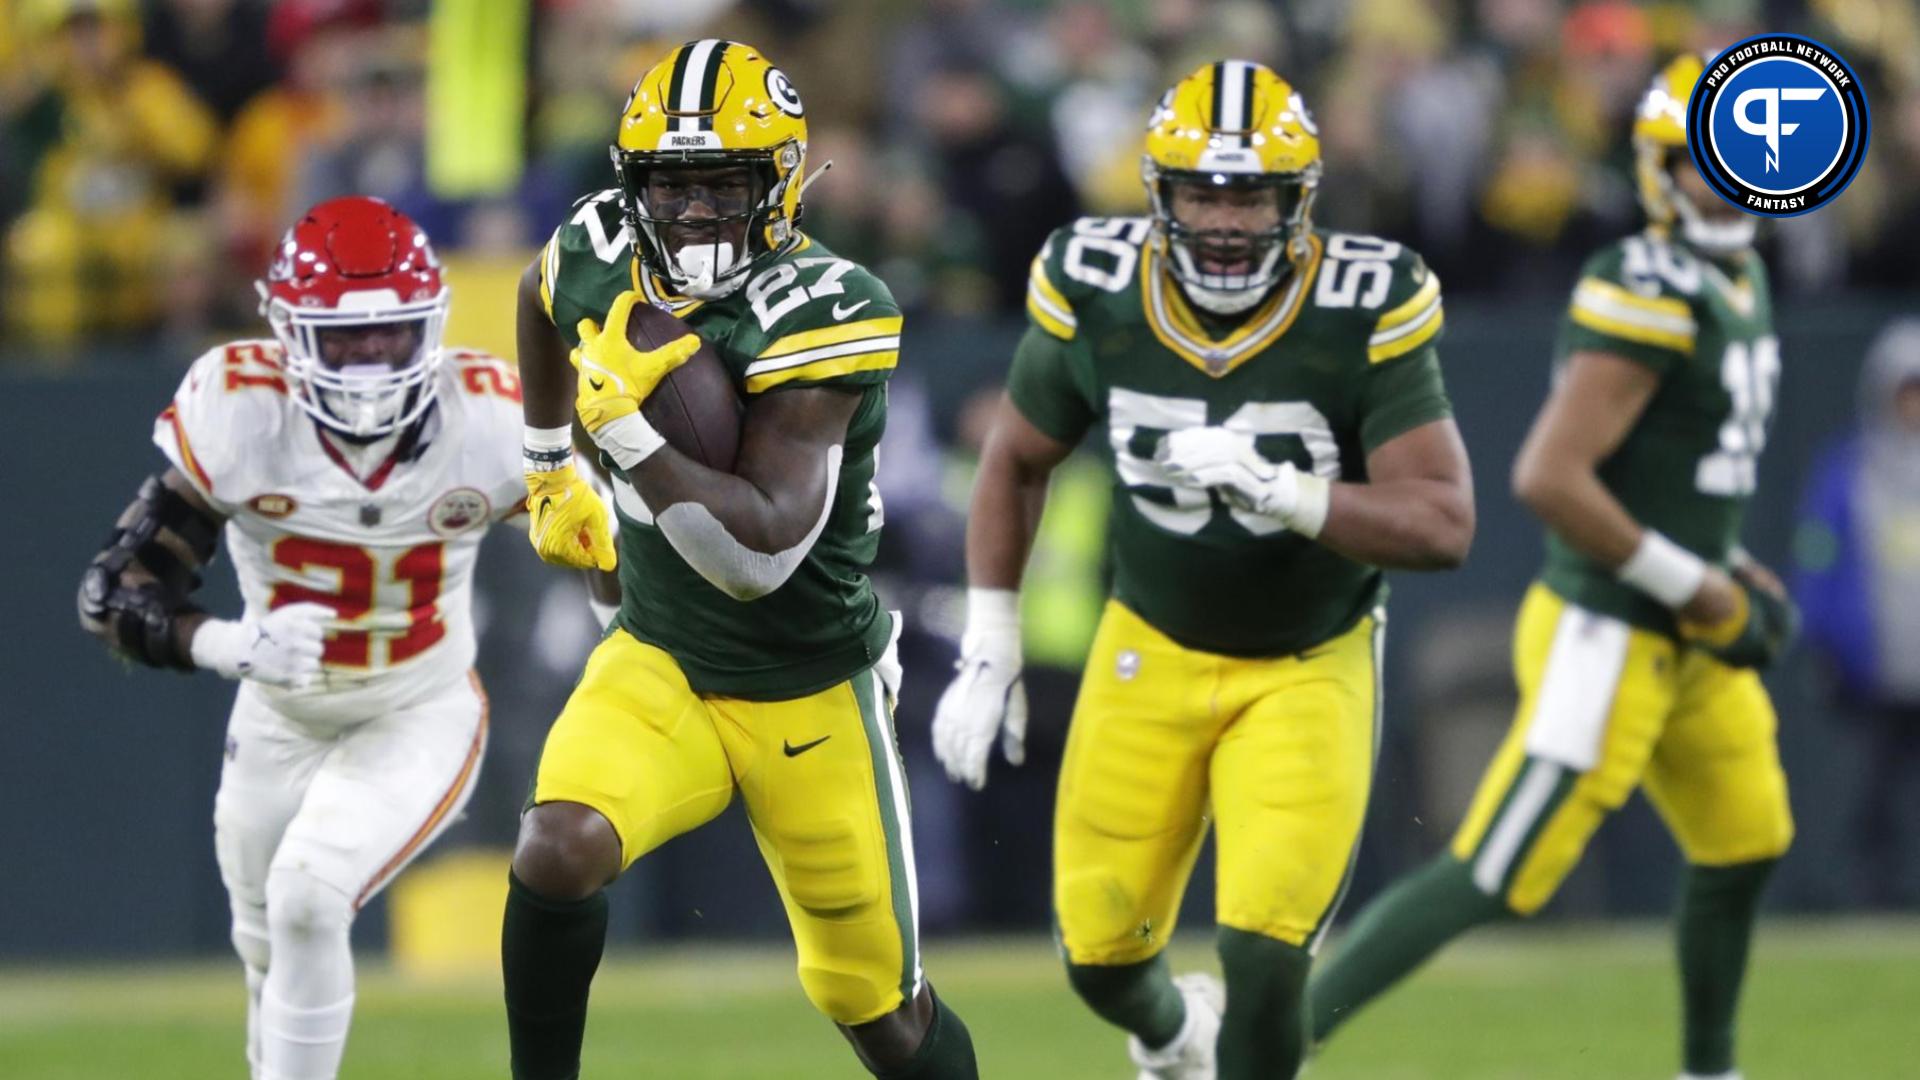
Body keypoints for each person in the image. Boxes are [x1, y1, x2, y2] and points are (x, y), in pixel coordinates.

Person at [932, 59, 1475, 1080]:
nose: (1225, 222)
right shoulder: (1093, 280)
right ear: (1157, 194)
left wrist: (1289, 495)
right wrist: (990, 643)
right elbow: (1015, 457)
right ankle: (1179, 1038)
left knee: (1267, 954)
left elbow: (1444, 523)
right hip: (1153, 643)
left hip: (1308, 656)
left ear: (1299, 201)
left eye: (1251, 195)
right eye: (1201, 193)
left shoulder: (1365, 298)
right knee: (1098, 960)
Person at [1308, 55, 1798, 1080]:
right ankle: (1265, 1043)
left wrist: (1730, 562)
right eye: (1704, 156)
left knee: (1747, 836)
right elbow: (1552, 476)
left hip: (1688, 624)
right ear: (1662, 167)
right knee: (1495, 870)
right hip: (1611, 627)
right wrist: (1703, 587)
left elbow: (1678, 473)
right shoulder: (1644, 284)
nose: (1728, 174)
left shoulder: (1741, 272)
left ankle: (1710, 1068)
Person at [502, 40, 978, 1080]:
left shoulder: (831, 305)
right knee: (557, 847)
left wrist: (627, 438)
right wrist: (547, 467)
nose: (692, 213)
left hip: (807, 682)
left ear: (781, 185)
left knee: (878, 1010)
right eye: (668, 187)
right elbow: (541, 295)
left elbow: (757, 553)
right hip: (663, 652)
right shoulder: (597, 242)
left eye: (722, 185)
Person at [77, 196, 529, 1080]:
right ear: (288, 334)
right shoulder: (240, 408)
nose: (367, 363)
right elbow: (114, 591)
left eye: (389, 337)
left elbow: (597, 539)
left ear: (429, 327)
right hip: (280, 712)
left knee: (309, 898)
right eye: (344, 340)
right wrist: (230, 646)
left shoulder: (489, 417)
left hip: (417, 707)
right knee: (263, 943)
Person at [1793, 317, 1920, 907]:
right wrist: (1825, 640)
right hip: (1874, 672)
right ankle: (1873, 899)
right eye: (1906, 390)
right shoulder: (1848, 470)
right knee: (1871, 795)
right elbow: (1818, 557)